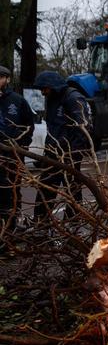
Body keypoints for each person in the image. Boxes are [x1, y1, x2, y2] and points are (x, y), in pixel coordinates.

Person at [31, 71, 92, 221]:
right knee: (46, 187)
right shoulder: (52, 98)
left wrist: (73, 152)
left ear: (53, 86)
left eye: (45, 88)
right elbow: (53, 128)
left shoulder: (73, 98)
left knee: (73, 190)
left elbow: (83, 128)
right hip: (53, 153)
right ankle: (40, 221)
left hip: (69, 154)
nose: (43, 92)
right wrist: (47, 150)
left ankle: (73, 222)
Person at [0, 66, 35, 232]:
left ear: (7, 79)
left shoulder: (17, 100)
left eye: (1, 77)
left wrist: (22, 145)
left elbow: (29, 124)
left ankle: (12, 225)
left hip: (13, 154)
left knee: (13, 190)